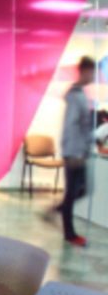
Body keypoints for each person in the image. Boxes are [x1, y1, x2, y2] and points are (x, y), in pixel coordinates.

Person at [57, 55, 95, 247]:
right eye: (92, 72)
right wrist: (72, 153)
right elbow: (70, 126)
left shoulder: (81, 94)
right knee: (72, 193)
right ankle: (69, 234)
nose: (94, 76)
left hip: (79, 152)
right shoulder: (75, 95)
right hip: (74, 153)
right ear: (85, 71)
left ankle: (56, 210)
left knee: (83, 190)